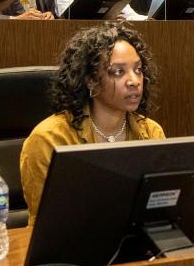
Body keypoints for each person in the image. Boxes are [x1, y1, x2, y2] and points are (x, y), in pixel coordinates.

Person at [19, 21, 164, 224]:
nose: (134, 81)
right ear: (91, 80)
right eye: (118, 72)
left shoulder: (151, 132)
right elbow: (49, 224)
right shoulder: (49, 139)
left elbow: (160, 209)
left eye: (138, 70)